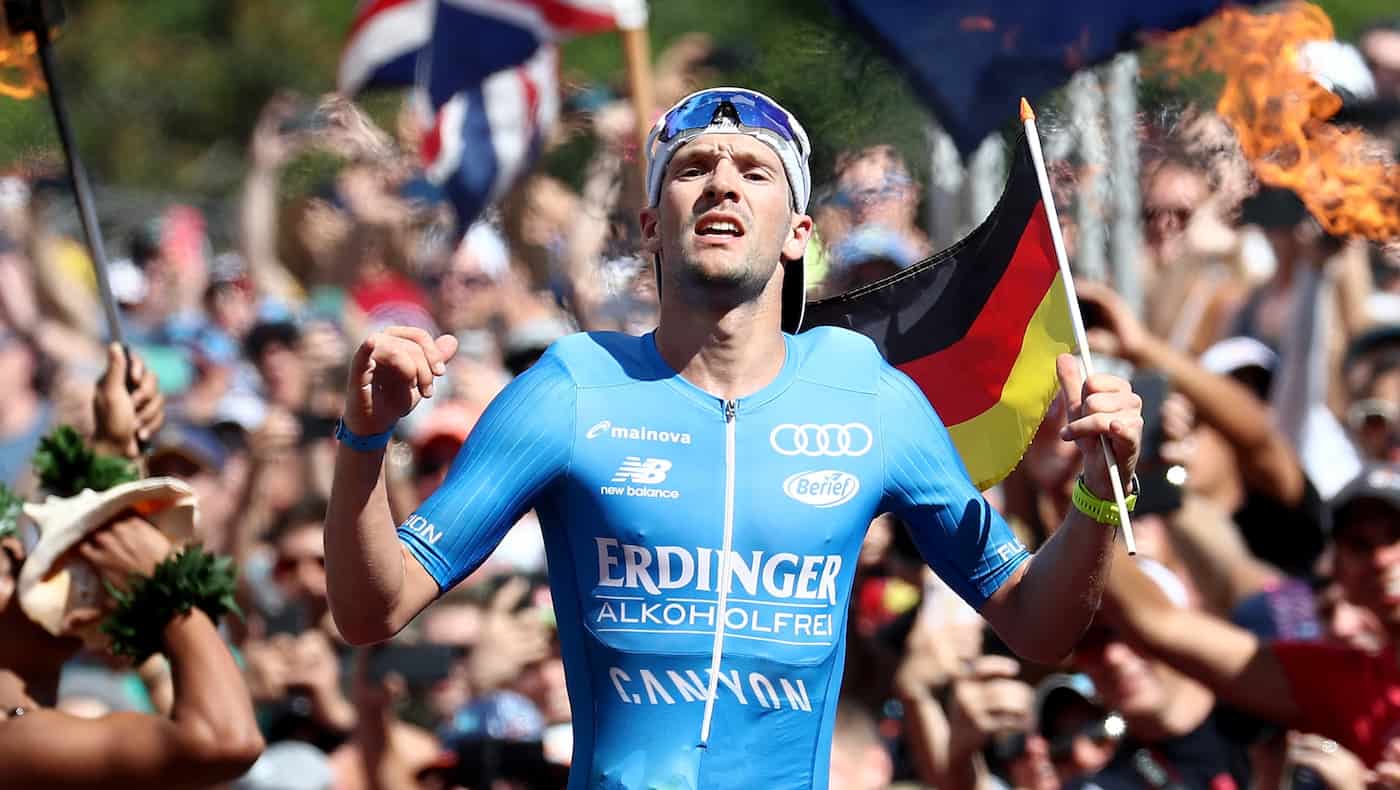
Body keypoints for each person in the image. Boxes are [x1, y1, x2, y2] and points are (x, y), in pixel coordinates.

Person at [324, 86, 1144, 789]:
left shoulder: (868, 397)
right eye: (692, 170)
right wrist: (363, 441)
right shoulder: (569, 389)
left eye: (754, 173)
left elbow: (1038, 626)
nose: (722, 186)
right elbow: (372, 610)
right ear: (650, 225)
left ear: (797, 232)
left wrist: (1100, 496)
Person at [0, 345, 263, 788]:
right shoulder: (11, 738)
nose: (32, 564)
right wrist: (163, 583)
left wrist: (113, 453)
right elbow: (225, 740)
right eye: (8, 564)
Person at [1096, 462, 1400, 769]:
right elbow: (1159, 623)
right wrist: (1086, 490)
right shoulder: (1346, 685)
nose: (1381, 558)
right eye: (1360, 545)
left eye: (1397, 534)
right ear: (1338, 569)